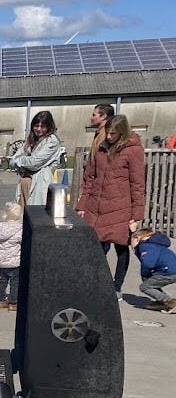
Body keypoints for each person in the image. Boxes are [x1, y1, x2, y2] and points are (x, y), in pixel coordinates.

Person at [76, 114, 145, 300]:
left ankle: (116, 286)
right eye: (108, 132)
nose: (108, 137)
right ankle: (100, 283)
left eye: (113, 134)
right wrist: (83, 203)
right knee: (96, 249)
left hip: (121, 207)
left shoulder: (133, 151)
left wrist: (136, 215)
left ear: (122, 133)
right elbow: (90, 177)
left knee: (121, 248)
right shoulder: (100, 149)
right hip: (97, 206)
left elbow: (137, 185)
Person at [9, 110, 64, 205]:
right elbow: (12, 161)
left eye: (42, 126)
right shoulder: (31, 140)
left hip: (38, 185)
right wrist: (20, 160)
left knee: (35, 215)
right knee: (21, 215)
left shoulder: (51, 142)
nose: (38, 129)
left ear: (49, 127)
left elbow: (33, 163)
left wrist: (20, 160)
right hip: (24, 184)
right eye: (36, 126)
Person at [130, 225, 176, 312]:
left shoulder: (145, 246)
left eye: (131, 241)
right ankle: (160, 302)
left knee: (144, 287)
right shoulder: (153, 244)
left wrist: (144, 274)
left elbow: (148, 263)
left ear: (137, 238)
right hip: (169, 269)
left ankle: (169, 301)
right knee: (149, 281)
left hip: (169, 271)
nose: (130, 244)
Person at [0, 201, 23, 311]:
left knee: (3, 280)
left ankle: (1, 300)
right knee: (15, 282)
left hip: (1, 260)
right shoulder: (19, 229)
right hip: (14, 260)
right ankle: (13, 302)